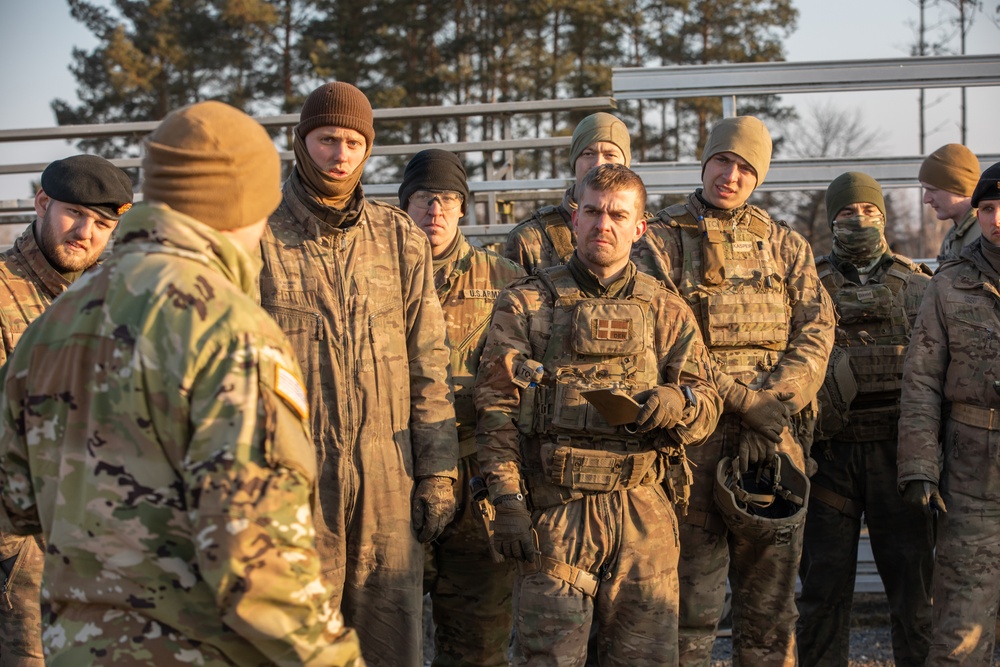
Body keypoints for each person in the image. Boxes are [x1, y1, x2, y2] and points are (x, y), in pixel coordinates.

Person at [0, 101, 362, 665]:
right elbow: (262, 575)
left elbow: (13, 500)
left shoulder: (57, 322)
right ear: (249, 205)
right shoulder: (231, 334)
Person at [476, 163, 722, 665]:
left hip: (643, 514)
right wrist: (508, 503)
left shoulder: (667, 310)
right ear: (574, 218)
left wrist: (680, 403)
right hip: (555, 512)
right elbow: (496, 413)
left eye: (617, 214)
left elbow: (707, 402)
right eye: (591, 211)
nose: (602, 224)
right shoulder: (525, 303)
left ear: (639, 228)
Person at [259, 82, 458, 667]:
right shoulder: (258, 237)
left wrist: (439, 472)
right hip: (293, 485)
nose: (339, 154)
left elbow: (429, 365)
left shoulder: (399, 239)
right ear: (302, 143)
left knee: (389, 642)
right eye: (326, 140)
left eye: (352, 142)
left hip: (386, 483)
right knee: (293, 644)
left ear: (367, 150)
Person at [632, 115, 835, 667]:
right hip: (692, 446)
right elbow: (662, 336)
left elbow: (816, 331)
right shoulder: (660, 238)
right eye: (723, 160)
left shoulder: (786, 245)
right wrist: (744, 404)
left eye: (746, 167)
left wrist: (775, 405)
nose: (732, 174)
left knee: (770, 612)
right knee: (688, 608)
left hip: (774, 446)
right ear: (705, 161)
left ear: (759, 177)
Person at [796, 172, 934, 667]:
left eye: (869, 211)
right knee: (821, 597)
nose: (859, 220)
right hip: (829, 459)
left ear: (884, 217)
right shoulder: (807, 287)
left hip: (901, 460)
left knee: (915, 598)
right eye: (848, 212)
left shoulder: (920, 286)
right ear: (832, 218)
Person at [0, 153, 132, 666]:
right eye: (74, 213)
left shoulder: (118, 298)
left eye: (103, 223)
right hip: (24, 560)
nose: (86, 232)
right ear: (42, 203)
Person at [398, 149, 524, 666]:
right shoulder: (378, 275)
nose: (436, 211)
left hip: (477, 471)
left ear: (463, 208)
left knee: (478, 639)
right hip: (400, 469)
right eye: (425, 199)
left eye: (449, 199)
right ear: (405, 205)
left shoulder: (505, 278)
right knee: (387, 629)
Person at [898, 160, 1000, 666]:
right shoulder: (949, 285)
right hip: (972, 478)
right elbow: (920, 382)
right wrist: (919, 466)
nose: (997, 218)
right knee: (960, 630)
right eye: (987, 207)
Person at [504, 112, 631, 274]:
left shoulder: (650, 239)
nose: (598, 164)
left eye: (610, 155)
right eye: (588, 154)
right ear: (574, 162)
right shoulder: (530, 238)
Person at [919, 143, 981, 263]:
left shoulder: (987, 233)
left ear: (959, 187)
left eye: (932, 190)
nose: (926, 199)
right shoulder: (953, 235)